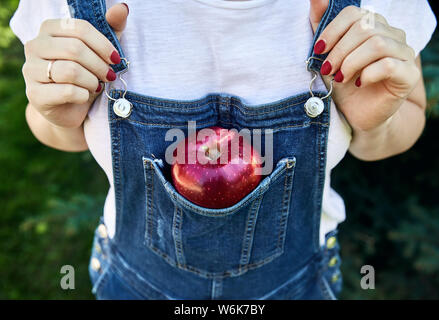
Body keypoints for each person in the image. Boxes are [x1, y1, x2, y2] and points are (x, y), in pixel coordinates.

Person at [9, 0, 437, 299]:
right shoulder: (74, 5)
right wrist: (59, 116)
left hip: (297, 284)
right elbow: (57, 131)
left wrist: (373, 122)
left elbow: (408, 116)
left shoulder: (373, 6)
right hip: (134, 282)